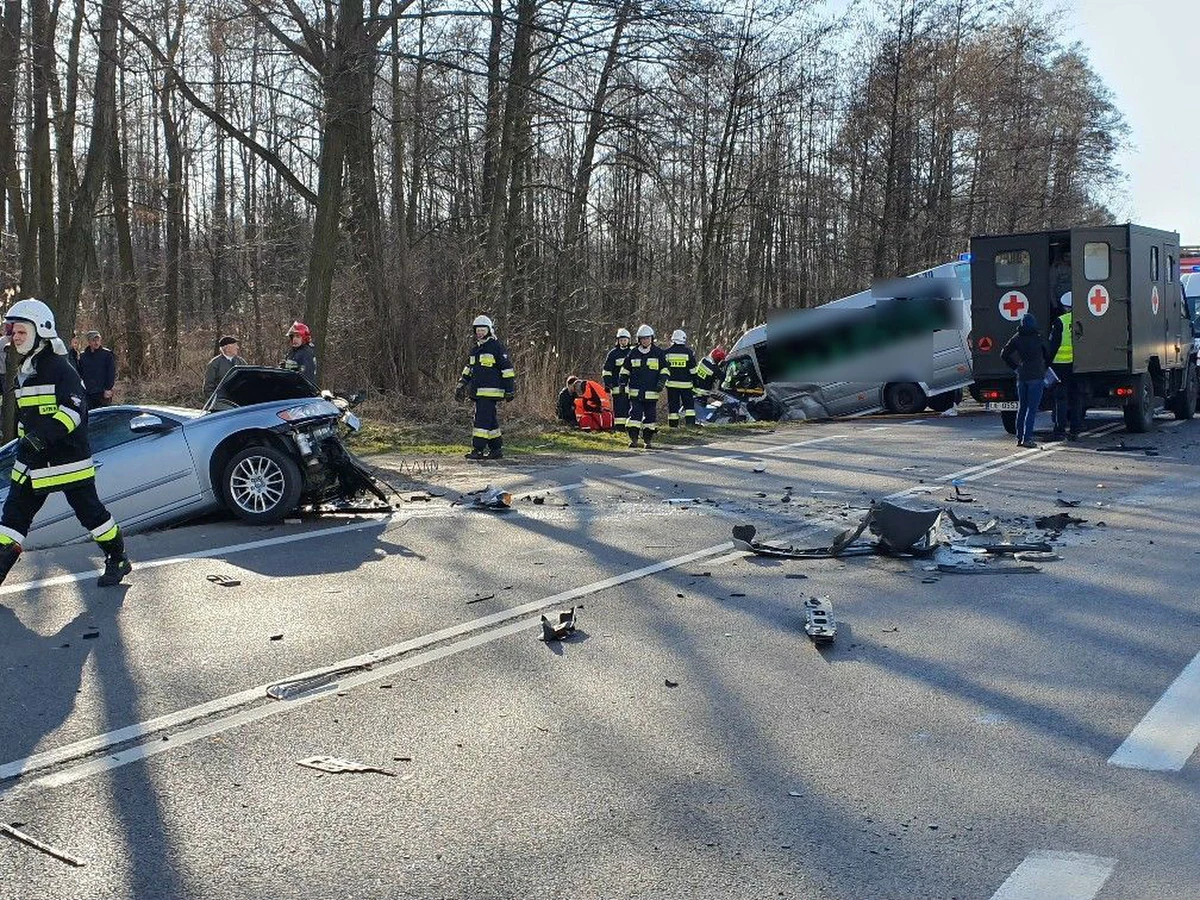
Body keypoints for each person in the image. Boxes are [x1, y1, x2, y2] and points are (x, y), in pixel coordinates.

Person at [0, 299, 131, 587]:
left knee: (91, 515)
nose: (15, 338)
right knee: (11, 518)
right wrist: (24, 444)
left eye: (21, 331)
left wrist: (40, 437)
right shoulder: (26, 370)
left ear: (40, 331)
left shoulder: (60, 367)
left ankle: (118, 558)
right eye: (13, 332)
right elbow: (27, 419)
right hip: (32, 462)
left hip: (68, 460)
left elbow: (74, 410)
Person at [455, 314, 515, 460]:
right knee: (490, 420)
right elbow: (470, 368)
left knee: (481, 421)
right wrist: (462, 383)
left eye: (483, 330)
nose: (480, 333)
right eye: (478, 330)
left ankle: (478, 449)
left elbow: (507, 369)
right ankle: (496, 449)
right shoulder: (476, 349)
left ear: (489, 330)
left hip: (490, 392)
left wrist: (509, 389)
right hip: (479, 391)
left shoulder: (496, 347)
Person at [1001, 312, 1052, 448]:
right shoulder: (1039, 337)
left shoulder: (1017, 338)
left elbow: (1004, 354)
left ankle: (1019, 438)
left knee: (1022, 408)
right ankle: (1027, 438)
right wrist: (1044, 366)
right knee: (1032, 409)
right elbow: (1048, 354)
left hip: (1022, 376)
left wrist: (1016, 367)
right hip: (1036, 376)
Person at [619, 324, 669, 449]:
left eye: (647, 338)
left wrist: (661, 382)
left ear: (652, 338)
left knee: (650, 418)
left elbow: (665, 370)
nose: (645, 340)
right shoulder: (633, 353)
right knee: (634, 416)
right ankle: (634, 440)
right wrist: (622, 383)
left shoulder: (658, 353)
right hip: (636, 392)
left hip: (652, 392)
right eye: (643, 338)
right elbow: (625, 370)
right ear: (639, 339)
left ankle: (648, 441)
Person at [1047, 291, 1082, 440]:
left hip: (1060, 367)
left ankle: (1060, 429)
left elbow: (1053, 345)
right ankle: (1075, 430)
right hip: (1078, 366)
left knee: (1061, 399)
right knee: (1076, 398)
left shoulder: (1060, 322)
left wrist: (1046, 364)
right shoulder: (1082, 320)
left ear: (1065, 307)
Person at [664, 329, 697, 427]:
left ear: (673, 339)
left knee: (673, 406)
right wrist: (695, 381)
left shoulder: (667, 353)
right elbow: (693, 370)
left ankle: (673, 426)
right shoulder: (688, 352)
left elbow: (663, 368)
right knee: (689, 406)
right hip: (686, 385)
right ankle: (690, 424)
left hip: (671, 385)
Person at [602, 328, 633, 430]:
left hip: (632, 386)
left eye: (625, 340)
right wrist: (607, 383)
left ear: (629, 340)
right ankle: (620, 427)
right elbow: (607, 370)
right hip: (617, 386)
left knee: (632, 407)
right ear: (618, 340)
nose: (623, 342)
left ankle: (631, 427)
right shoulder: (613, 354)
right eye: (621, 340)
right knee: (619, 407)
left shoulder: (633, 352)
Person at [78, 330, 116, 408]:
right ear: (89, 341)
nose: (96, 343)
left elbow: (111, 373)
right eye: (93, 340)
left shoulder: (107, 354)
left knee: (104, 415)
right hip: (88, 392)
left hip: (103, 392)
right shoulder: (83, 356)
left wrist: (108, 388)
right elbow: (80, 373)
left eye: (98, 340)